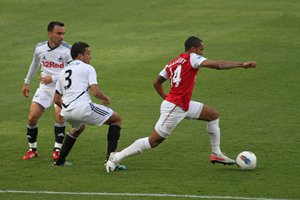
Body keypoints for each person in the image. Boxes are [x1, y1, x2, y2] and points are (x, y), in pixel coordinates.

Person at [106, 36, 257, 172]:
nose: (202, 53)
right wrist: (241, 64)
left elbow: (156, 82)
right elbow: (218, 65)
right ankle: (117, 157)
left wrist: (166, 97)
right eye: (201, 50)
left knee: (213, 116)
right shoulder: (193, 58)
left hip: (181, 104)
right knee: (154, 141)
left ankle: (216, 154)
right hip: (175, 107)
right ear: (193, 49)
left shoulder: (173, 62)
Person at [53, 41, 125, 170]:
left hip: (67, 112)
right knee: (117, 119)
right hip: (82, 108)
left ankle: (60, 161)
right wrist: (106, 99)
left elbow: (56, 99)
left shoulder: (63, 72)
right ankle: (111, 160)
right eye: (88, 54)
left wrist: (68, 108)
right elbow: (95, 92)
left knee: (78, 128)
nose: (90, 57)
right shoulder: (87, 68)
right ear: (80, 56)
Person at [22, 21, 72, 161]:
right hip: (45, 87)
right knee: (32, 117)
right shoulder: (40, 48)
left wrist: (54, 78)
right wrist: (26, 82)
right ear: (50, 33)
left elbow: (71, 71)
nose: (61, 36)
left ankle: (57, 149)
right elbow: (35, 64)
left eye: (63, 33)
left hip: (62, 88)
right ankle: (32, 150)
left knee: (59, 115)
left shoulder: (68, 50)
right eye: (58, 33)